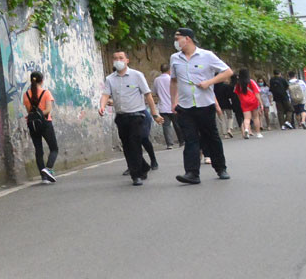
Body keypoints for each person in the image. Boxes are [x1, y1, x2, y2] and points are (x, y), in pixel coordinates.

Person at [169, 28, 233, 184]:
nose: (176, 42)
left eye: (178, 38)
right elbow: (174, 81)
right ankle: (192, 173)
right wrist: (173, 101)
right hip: (185, 106)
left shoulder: (207, 56)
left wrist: (209, 82)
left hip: (205, 104)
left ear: (188, 39)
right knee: (190, 139)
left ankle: (221, 168)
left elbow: (227, 72)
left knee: (211, 137)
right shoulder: (175, 58)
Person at [100, 51, 163, 185]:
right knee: (127, 146)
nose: (118, 60)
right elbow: (105, 95)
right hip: (121, 117)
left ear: (127, 60)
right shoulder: (110, 79)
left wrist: (154, 113)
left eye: (121, 58)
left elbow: (148, 95)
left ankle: (136, 175)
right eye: (115, 58)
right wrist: (102, 106)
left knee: (134, 143)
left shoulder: (137, 75)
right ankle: (144, 166)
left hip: (137, 116)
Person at [20, 71, 59, 183]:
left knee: (38, 150)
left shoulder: (26, 95)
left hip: (32, 124)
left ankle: (44, 178)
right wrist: (42, 114)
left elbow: (29, 111)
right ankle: (48, 169)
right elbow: (48, 110)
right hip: (45, 123)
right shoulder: (46, 93)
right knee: (54, 148)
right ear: (42, 80)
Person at [153, 63, 180, 147]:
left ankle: (169, 144)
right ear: (169, 70)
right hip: (174, 105)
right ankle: (182, 141)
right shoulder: (172, 79)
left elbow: (154, 92)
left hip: (163, 106)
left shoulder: (156, 80)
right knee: (177, 124)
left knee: (166, 126)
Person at [233, 71, 263, 139]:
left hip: (244, 102)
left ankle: (246, 129)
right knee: (255, 117)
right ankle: (258, 133)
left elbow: (237, 93)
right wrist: (261, 103)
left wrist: (241, 100)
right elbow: (257, 93)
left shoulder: (238, 84)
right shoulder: (251, 81)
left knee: (246, 118)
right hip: (253, 101)